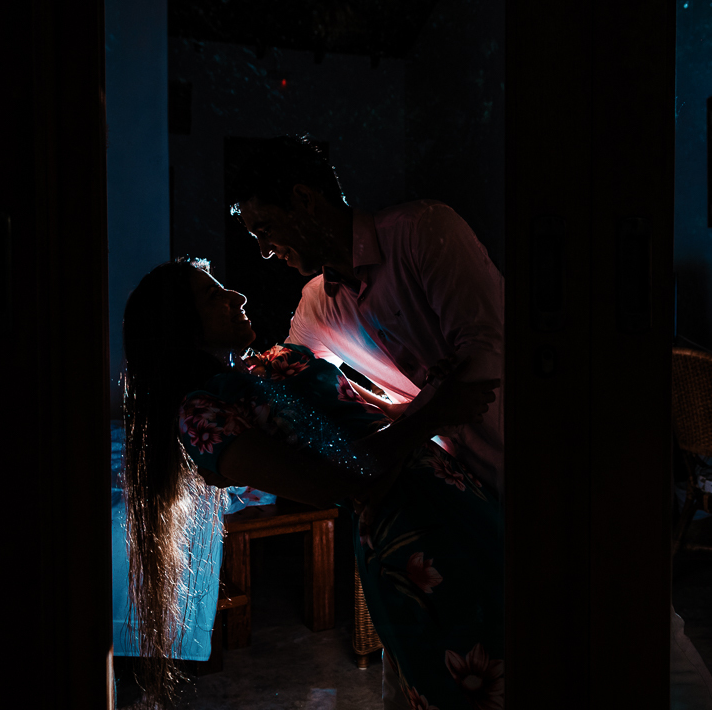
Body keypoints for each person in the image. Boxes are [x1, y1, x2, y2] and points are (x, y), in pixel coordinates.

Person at [121, 257, 504, 710]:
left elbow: (382, 416)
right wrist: (435, 413)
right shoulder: (204, 414)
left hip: (452, 493)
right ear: (182, 329)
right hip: (411, 539)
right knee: (472, 677)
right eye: (212, 296)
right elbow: (325, 483)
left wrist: (433, 395)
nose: (237, 297)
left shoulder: (278, 361)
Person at [229, 135, 505, 502]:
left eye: (265, 230)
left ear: (305, 200)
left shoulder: (424, 231)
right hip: (462, 496)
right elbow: (294, 384)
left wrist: (408, 416)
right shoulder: (315, 306)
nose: (264, 251)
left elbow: (486, 352)